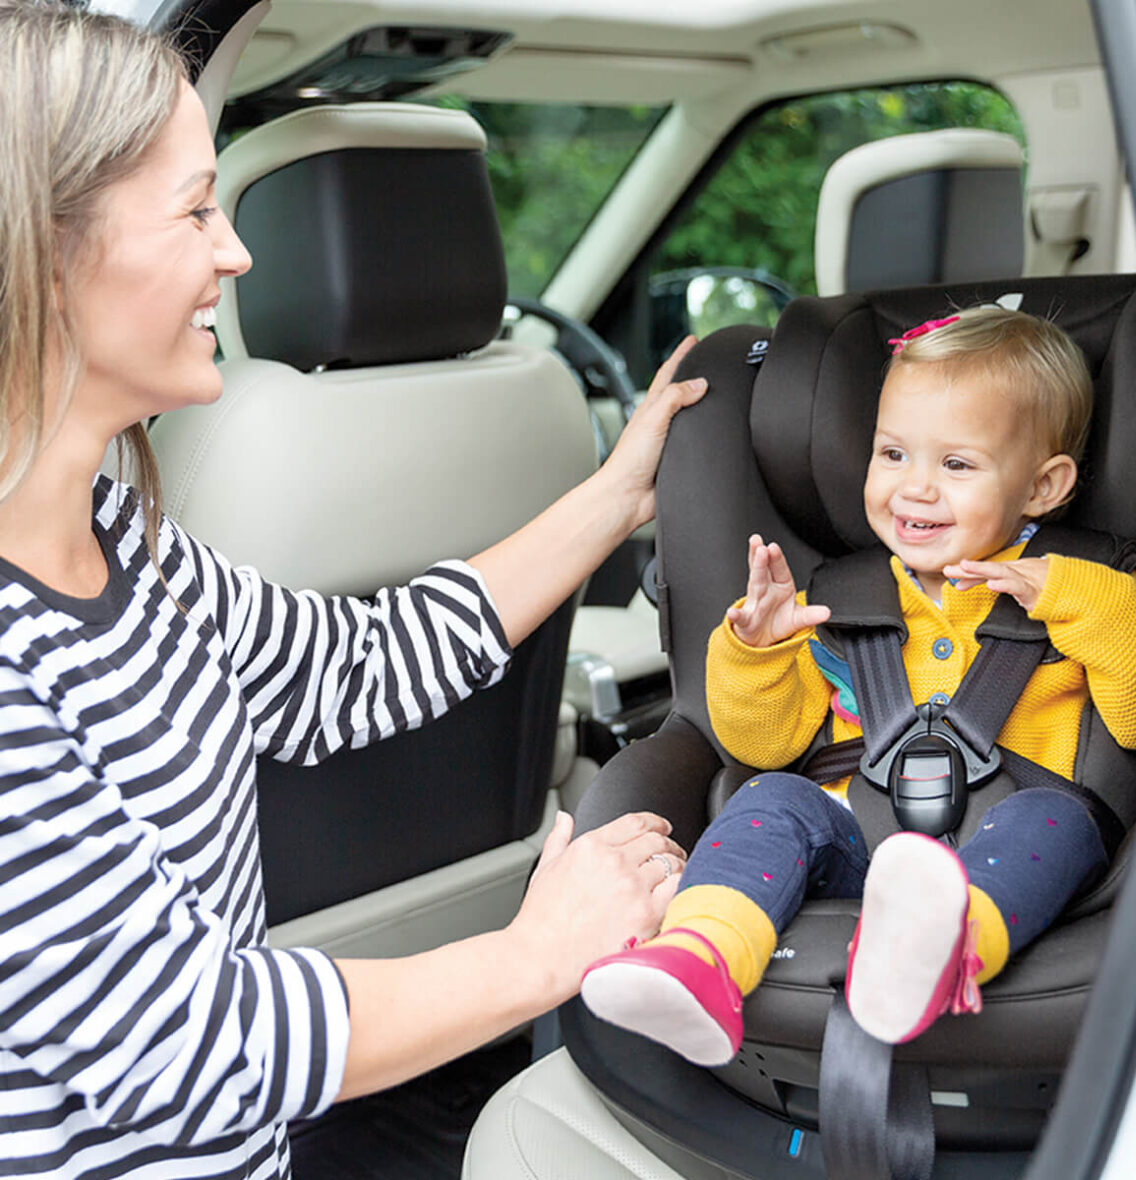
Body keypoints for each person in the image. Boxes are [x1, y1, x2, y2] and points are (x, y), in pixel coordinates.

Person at [0, 4, 705, 1177]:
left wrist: (618, 493)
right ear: (49, 250)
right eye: (193, 209)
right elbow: (183, 1042)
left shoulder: (123, 533)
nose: (236, 252)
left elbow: (350, 665)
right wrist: (543, 952)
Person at [580, 306, 1136, 1064]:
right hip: (856, 844)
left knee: (1054, 819)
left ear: (1043, 486)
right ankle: (697, 959)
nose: (915, 489)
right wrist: (757, 652)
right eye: (893, 453)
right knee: (769, 800)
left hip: (1014, 848)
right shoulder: (841, 598)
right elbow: (763, 745)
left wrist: (1079, 598)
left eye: (956, 465)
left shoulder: (1087, 593)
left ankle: (940, 951)